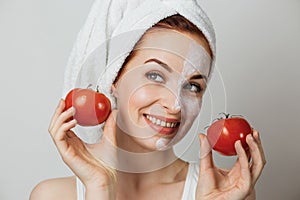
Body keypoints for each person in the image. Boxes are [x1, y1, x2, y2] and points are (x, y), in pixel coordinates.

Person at [30, 0, 266, 199]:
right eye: (155, 75)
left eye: (193, 86)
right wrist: (99, 190)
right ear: (114, 78)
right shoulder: (53, 195)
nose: (174, 105)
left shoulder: (222, 192)